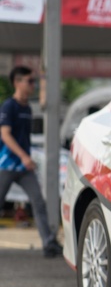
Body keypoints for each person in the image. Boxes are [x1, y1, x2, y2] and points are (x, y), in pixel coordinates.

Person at [0, 66, 62, 258]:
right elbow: (5, 134)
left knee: (38, 202)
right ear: (17, 83)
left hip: (24, 168)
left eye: (34, 81)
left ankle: (49, 243)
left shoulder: (27, 107)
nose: (32, 85)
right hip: (7, 165)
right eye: (29, 81)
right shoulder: (9, 106)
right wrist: (23, 156)